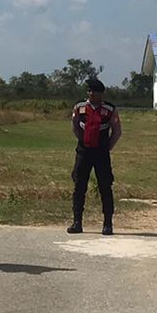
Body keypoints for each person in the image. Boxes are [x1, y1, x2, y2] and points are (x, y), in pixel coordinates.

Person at [67, 76, 121, 235]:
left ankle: (107, 223)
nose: (90, 94)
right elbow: (75, 127)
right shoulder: (80, 107)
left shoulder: (109, 110)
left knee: (105, 186)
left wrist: (107, 147)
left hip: (101, 153)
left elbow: (116, 131)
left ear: (100, 94)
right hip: (84, 152)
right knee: (79, 186)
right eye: (89, 91)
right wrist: (82, 141)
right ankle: (77, 222)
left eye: (94, 91)